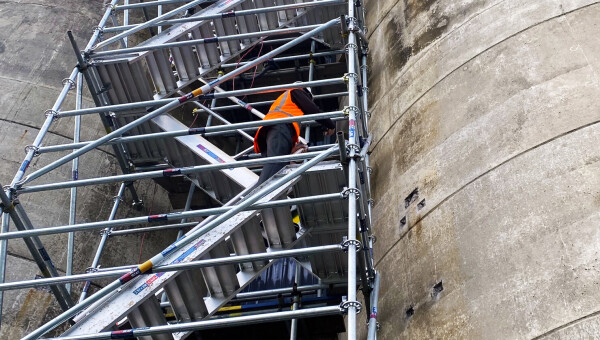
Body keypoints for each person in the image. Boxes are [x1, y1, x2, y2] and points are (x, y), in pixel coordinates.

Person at [253, 86, 336, 186]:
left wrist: (292, 149)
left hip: (273, 131)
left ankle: (263, 191)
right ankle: (261, 193)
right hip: (279, 127)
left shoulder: (290, 105)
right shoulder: (296, 91)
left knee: (277, 166)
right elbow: (312, 109)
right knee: (276, 164)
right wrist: (330, 125)